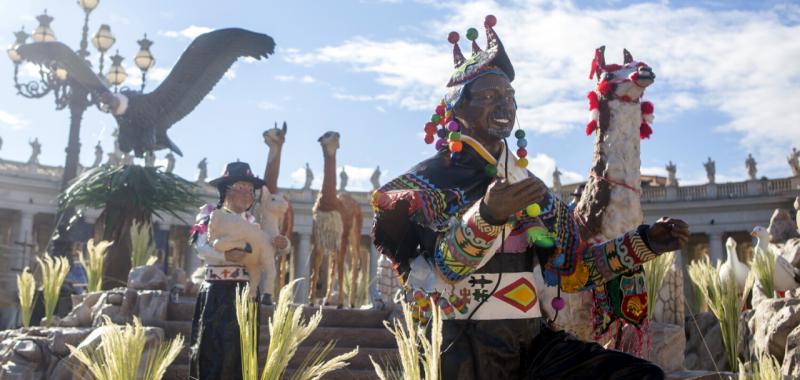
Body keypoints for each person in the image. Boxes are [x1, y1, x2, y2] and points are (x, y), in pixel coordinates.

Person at [371, 15, 689, 380]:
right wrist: (487, 216)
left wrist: (644, 242)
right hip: (462, 347)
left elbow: (574, 272)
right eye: (490, 96)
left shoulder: (530, 187)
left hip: (536, 345)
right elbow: (445, 268)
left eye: (509, 97)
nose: (504, 105)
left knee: (639, 376)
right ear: (457, 110)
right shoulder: (429, 184)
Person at [188, 161, 289, 380]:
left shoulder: (253, 223)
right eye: (240, 188)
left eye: (250, 191)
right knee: (210, 351)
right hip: (216, 292)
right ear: (226, 189)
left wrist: (279, 245)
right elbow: (200, 246)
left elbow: (263, 254)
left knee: (241, 353)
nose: (247, 195)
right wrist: (224, 255)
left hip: (246, 293)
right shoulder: (208, 215)